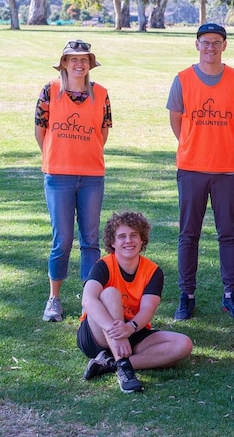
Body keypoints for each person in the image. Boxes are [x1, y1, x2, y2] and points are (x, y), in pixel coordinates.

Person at [167, 23, 234, 320]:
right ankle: (186, 294)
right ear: (197, 45)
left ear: (224, 45)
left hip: (227, 168)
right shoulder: (183, 79)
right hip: (191, 167)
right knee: (188, 234)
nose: (211, 47)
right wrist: (195, 144)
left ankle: (231, 294)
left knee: (228, 233)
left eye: (217, 42)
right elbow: (176, 121)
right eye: (206, 42)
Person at [35, 40, 111, 322]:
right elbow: (40, 131)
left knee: (90, 240)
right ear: (64, 63)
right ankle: (54, 299)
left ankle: (89, 302)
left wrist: (85, 155)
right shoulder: (50, 91)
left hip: (92, 176)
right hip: (58, 176)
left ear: (90, 64)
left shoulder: (101, 94)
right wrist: (58, 158)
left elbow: (102, 132)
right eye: (73, 59)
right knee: (62, 239)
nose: (79, 64)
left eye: (84, 59)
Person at [78, 211, 193, 393]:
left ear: (142, 240)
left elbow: (148, 309)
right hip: (98, 333)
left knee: (184, 344)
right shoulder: (104, 265)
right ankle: (124, 371)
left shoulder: (153, 271)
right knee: (109, 294)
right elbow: (88, 299)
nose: (128, 241)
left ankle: (109, 364)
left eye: (134, 236)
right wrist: (117, 333)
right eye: (121, 236)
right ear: (113, 243)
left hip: (133, 329)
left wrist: (129, 328)